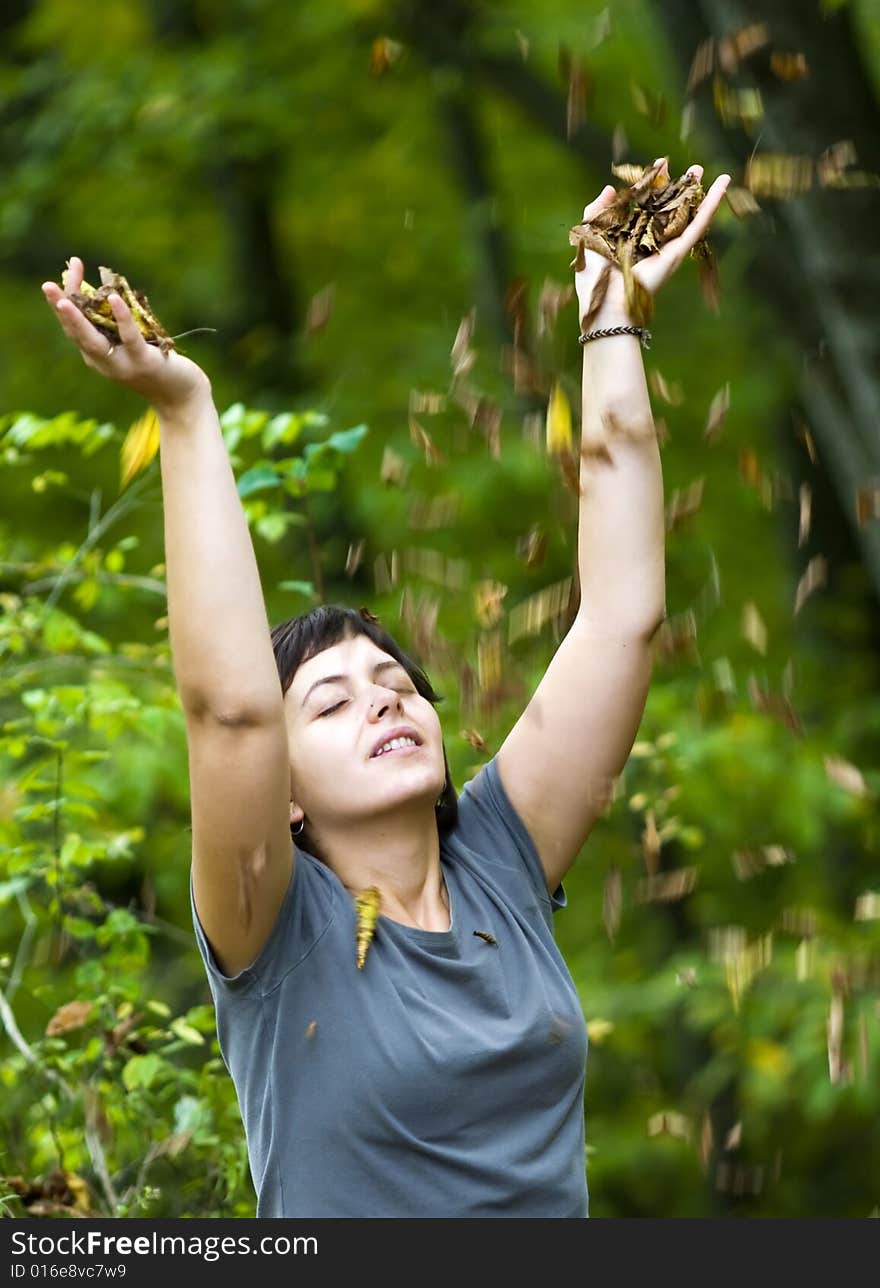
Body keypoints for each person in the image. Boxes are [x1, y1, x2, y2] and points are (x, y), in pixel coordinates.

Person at [41, 161, 730, 1217]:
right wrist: (185, 412)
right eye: (331, 702)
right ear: (283, 792)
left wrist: (610, 318)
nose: (385, 700)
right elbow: (228, 708)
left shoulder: (501, 856)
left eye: (396, 681)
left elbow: (623, 613)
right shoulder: (269, 920)